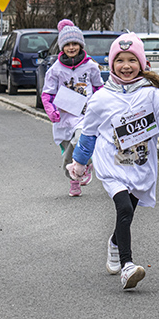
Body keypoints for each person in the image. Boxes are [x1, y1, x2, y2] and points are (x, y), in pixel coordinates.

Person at [67, 32, 159, 290]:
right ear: (110, 64)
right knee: (123, 208)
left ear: (142, 63)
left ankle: (115, 243)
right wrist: (80, 163)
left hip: (140, 166)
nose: (126, 66)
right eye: (120, 60)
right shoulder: (101, 99)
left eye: (132, 60)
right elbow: (88, 135)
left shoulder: (153, 96)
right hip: (111, 165)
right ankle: (127, 266)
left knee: (129, 213)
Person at [41, 19, 104, 197]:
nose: (71, 47)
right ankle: (74, 182)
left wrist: (102, 107)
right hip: (64, 116)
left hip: (85, 115)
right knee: (67, 152)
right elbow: (47, 93)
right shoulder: (55, 69)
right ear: (62, 47)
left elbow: (100, 87)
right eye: (67, 44)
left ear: (81, 45)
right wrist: (51, 110)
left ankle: (85, 164)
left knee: (81, 140)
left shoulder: (91, 66)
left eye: (75, 43)